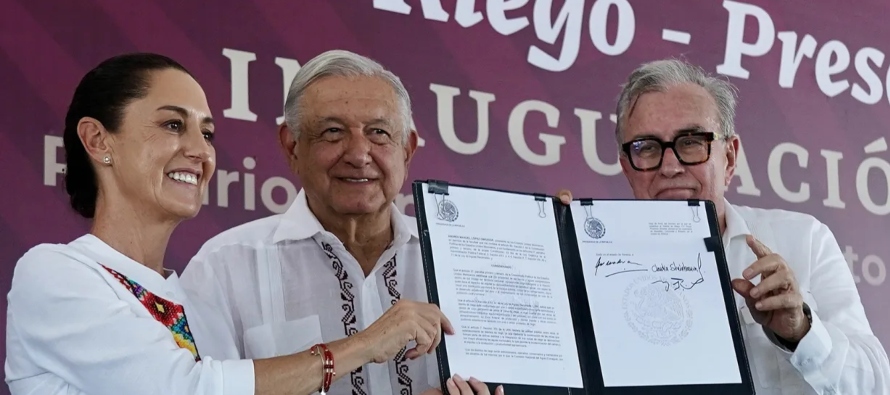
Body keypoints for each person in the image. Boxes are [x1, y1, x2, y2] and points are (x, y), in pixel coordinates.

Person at [5, 52, 460, 395]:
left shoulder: (186, 297)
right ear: (98, 139)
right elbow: (187, 389)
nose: (199, 151)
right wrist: (365, 345)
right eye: (171, 125)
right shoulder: (54, 273)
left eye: (206, 134)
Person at [179, 50, 502, 395]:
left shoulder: (468, 263)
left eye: (379, 132)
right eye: (333, 132)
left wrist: (567, 237)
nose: (359, 154)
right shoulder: (223, 267)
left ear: (406, 150)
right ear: (292, 147)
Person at [558, 58, 890, 394]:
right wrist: (555, 255)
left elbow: (877, 384)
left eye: (691, 142)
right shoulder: (584, 266)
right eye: (647, 148)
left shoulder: (804, 239)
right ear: (627, 167)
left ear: (729, 158)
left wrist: (800, 331)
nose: (670, 167)